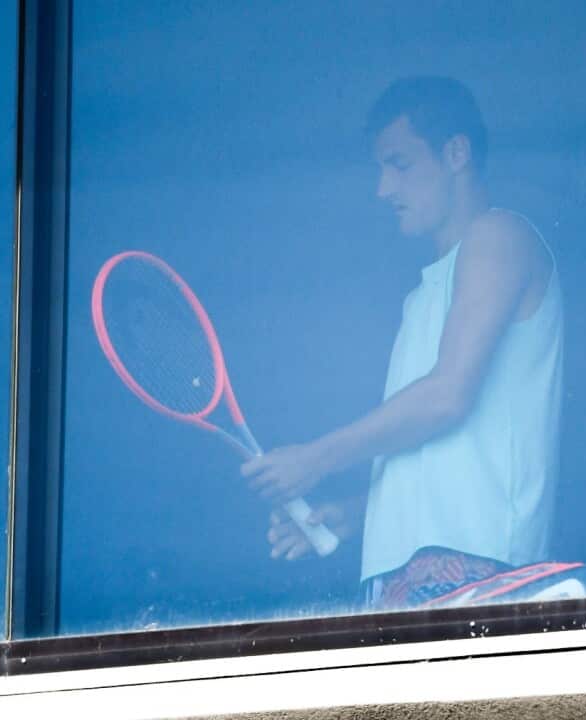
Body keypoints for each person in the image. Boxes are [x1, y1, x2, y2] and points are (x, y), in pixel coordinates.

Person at [240, 76, 563, 609]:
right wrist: (353, 513)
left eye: (400, 164)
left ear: (456, 152)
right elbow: (447, 457)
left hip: (471, 575)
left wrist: (315, 458)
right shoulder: (424, 295)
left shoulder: (497, 234)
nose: (383, 188)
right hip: (404, 577)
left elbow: (447, 396)